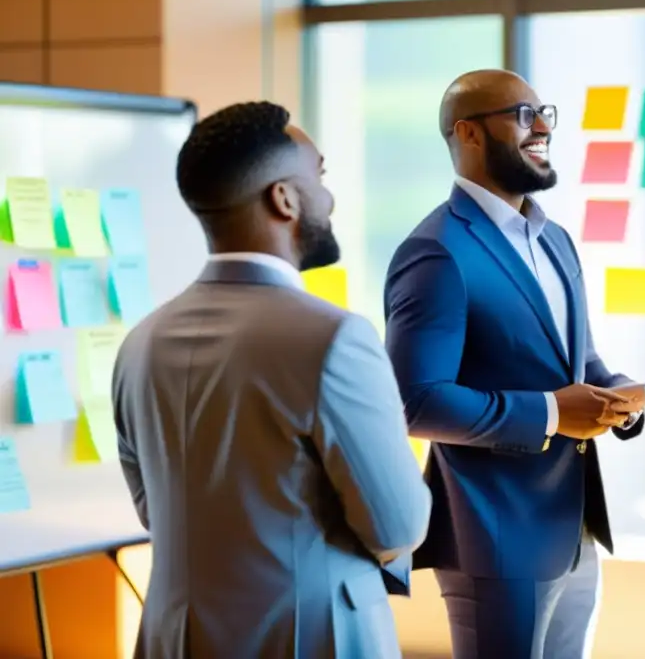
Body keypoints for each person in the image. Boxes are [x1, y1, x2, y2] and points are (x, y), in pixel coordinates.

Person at [112, 102, 431, 659]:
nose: (329, 198)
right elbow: (398, 525)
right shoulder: (334, 339)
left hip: (172, 637)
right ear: (283, 198)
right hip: (310, 636)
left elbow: (155, 509)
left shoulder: (141, 341)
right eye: (321, 176)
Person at [383, 69, 645, 658]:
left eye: (544, 111)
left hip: (576, 527)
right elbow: (415, 400)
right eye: (523, 115)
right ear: (468, 133)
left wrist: (617, 394)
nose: (544, 126)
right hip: (496, 535)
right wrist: (553, 412)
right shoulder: (435, 251)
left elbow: (579, 359)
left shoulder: (555, 239)